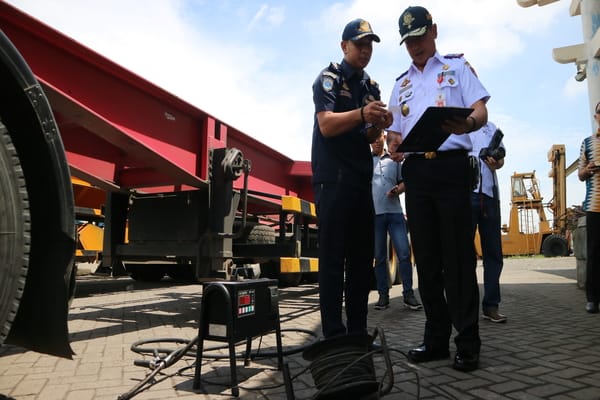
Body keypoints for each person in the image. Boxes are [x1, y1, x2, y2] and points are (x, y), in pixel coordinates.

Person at [386, 6, 490, 372]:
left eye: (419, 37)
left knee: (458, 258)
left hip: (451, 170)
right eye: (408, 41)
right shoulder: (400, 85)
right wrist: (393, 146)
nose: (414, 46)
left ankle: (468, 342)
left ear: (434, 31)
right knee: (427, 259)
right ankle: (435, 340)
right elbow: (394, 135)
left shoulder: (457, 68)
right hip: (416, 174)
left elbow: (480, 110)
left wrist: (467, 124)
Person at [311, 18, 393, 338]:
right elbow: (327, 125)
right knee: (333, 260)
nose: (365, 50)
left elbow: (368, 136)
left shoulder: (371, 87)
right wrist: (362, 114)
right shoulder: (328, 78)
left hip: (361, 181)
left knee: (361, 263)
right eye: (359, 44)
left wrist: (379, 125)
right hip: (333, 180)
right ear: (344, 46)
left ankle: (358, 333)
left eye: (369, 45)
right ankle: (333, 335)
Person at [371, 131, 422, 311]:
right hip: (376, 215)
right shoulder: (366, 161)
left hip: (395, 214)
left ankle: (408, 294)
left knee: (404, 254)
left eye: (379, 139)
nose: (377, 143)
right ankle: (383, 296)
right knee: (379, 257)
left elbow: (405, 182)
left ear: (384, 138)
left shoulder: (394, 159)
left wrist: (397, 190)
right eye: (373, 140)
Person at [469, 121, 507, 323]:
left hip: (490, 195)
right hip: (466, 193)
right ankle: (467, 306)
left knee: (493, 253)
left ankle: (491, 305)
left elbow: (501, 158)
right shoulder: (457, 123)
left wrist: (496, 162)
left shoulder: (491, 128)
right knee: (464, 254)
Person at [577, 101, 600, 314]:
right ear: (596, 117)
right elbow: (580, 174)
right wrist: (588, 170)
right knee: (593, 253)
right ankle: (593, 298)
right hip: (595, 205)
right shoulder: (587, 143)